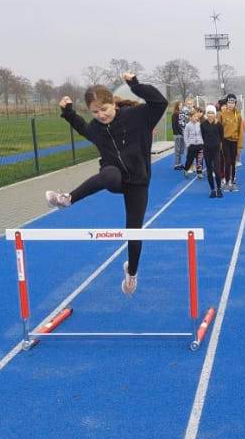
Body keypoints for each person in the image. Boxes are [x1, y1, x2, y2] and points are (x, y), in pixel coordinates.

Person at [46, 72, 168, 295]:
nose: (101, 115)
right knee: (109, 175)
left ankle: (131, 273)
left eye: (104, 109)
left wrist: (135, 84)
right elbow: (81, 126)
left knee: (134, 231)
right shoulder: (95, 128)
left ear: (113, 103)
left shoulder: (138, 116)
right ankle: (67, 199)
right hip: (114, 177)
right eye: (95, 112)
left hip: (138, 182)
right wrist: (68, 112)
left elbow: (160, 102)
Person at [220, 93, 245, 189]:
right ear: (226, 103)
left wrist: (240, 146)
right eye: (229, 102)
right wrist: (219, 143)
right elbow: (219, 129)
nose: (231, 104)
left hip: (234, 141)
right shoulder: (222, 115)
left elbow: (241, 132)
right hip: (225, 141)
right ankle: (227, 180)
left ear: (235, 104)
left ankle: (233, 178)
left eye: (233, 102)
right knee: (227, 161)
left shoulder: (238, 116)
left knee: (233, 162)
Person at [200, 105, 224, 198]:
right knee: (209, 171)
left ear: (215, 114)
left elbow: (221, 136)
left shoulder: (218, 125)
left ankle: (219, 189)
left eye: (212, 113)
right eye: (209, 113)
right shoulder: (203, 125)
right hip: (207, 150)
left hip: (216, 150)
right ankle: (212, 190)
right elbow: (203, 136)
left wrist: (218, 144)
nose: (210, 115)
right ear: (207, 114)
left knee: (217, 170)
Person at [182, 107, 206, 183]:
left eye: (196, 116)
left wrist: (203, 142)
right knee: (190, 159)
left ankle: (199, 173)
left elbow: (202, 134)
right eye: (194, 117)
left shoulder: (199, 124)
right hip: (192, 145)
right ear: (190, 117)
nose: (196, 118)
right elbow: (185, 136)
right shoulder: (188, 126)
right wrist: (188, 144)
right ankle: (186, 169)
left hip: (200, 145)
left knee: (200, 160)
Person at [171, 101, 186, 171]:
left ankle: (179, 163)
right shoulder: (175, 114)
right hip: (177, 134)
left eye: (182, 105)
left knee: (180, 149)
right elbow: (174, 125)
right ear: (177, 106)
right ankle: (176, 164)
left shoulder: (180, 113)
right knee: (177, 149)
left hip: (181, 133)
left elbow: (181, 124)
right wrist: (178, 133)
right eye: (180, 105)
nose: (181, 106)